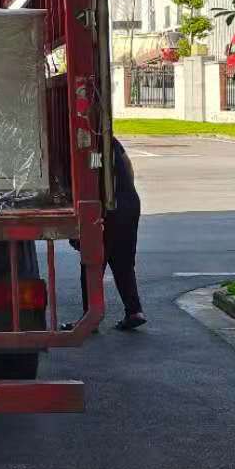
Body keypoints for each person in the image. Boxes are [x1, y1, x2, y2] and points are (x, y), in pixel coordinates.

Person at [80, 136, 146, 331]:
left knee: (92, 262)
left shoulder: (90, 146)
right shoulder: (109, 140)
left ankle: (90, 319)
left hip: (107, 208)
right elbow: (128, 166)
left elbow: (92, 175)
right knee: (123, 262)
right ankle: (134, 311)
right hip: (129, 203)